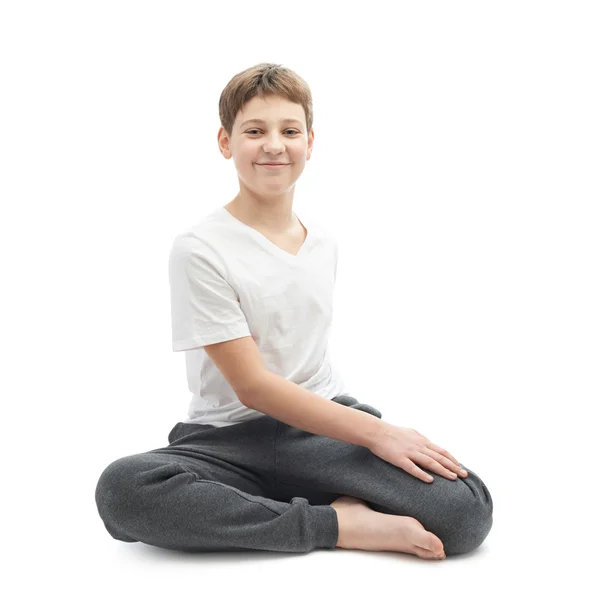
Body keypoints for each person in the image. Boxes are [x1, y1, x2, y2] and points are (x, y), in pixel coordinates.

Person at [95, 62, 493, 560]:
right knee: (124, 489)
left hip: (321, 432)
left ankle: (287, 507)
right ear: (225, 142)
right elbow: (253, 387)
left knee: (466, 512)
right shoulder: (199, 248)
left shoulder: (323, 242)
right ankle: (338, 521)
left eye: (289, 131)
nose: (274, 145)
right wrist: (379, 435)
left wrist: (364, 437)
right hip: (228, 442)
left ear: (310, 142)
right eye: (255, 131)